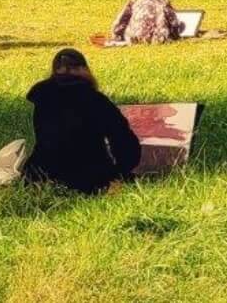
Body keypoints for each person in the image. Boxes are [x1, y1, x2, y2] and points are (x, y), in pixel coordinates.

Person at [22, 48, 141, 194]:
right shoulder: (96, 101)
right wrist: (121, 170)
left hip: (39, 175)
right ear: (84, 69)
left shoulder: (43, 97)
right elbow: (124, 141)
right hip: (88, 177)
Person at [110, 0, 183, 45]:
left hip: (132, 38)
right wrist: (176, 36)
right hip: (156, 39)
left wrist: (117, 36)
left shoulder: (135, 2)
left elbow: (119, 23)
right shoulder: (163, 1)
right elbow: (174, 24)